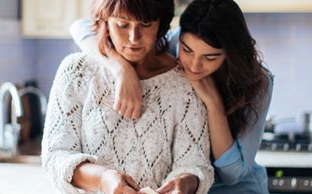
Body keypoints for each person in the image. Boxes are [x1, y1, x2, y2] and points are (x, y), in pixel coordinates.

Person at [69, 0, 274, 193]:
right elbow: (82, 27)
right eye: (187, 50)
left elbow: (233, 175)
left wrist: (213, 104)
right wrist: (120, 68)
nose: (194, 65)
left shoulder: (258, 80)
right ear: (179, 37)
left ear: (230, 53)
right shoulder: (168, 44)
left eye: (210, 57)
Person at [41, 0, 214, 194]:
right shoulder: (76, 72)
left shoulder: (183, 83)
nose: (134, 38)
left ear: (161, 24)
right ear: (104, 22)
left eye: (146, 24)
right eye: (122, 25)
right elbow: (55, 156)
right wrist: (102, 180)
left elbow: (196, 164)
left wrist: (184, 183)